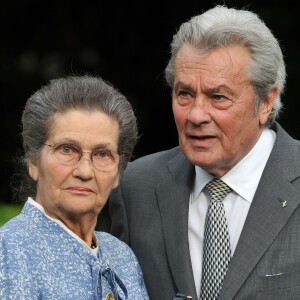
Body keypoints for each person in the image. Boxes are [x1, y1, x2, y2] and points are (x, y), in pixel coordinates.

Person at [109, 5, 300, 300]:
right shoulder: (136, 187)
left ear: (265, 102)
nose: (196, 115)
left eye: (218, 97)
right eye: (184, 94)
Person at [0, 75, 149, 299]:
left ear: (118, 171)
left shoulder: (122, 256)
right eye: (67, 150)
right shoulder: (8, 252)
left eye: (102, 154)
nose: (85, 171)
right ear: (33, 161)